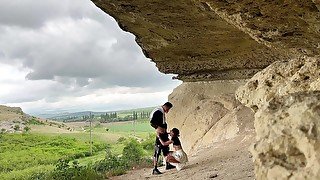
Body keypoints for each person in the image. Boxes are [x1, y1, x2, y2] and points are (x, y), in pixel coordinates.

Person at [150, 102, 174, 175]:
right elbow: (152, 122)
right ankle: (155, 169)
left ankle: (168, 164)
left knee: (165, 149)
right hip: (160, 135)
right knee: (157, 151)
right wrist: (157, 128)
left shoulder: (161, 111)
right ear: (166, 107)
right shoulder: (159, 111)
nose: (168, 111)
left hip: (163, 134)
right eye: (168, 109)